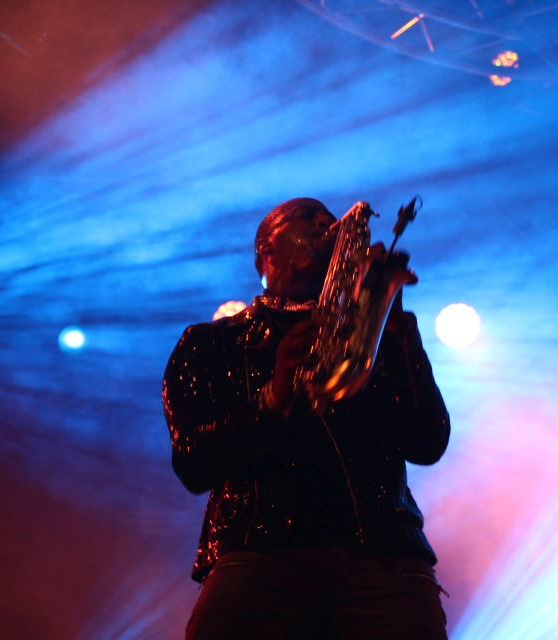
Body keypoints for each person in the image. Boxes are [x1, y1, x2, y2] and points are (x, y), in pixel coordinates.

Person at [163, 197, 451, 639]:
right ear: (267, 248)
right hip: (259, 561)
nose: (325, 222)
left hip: (385, 561)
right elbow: (192, 462)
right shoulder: (209, 343)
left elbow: (430, 443)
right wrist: (273, 397)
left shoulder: (376, 335)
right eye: (307, 217)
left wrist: (393, 327)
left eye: (327, 218)